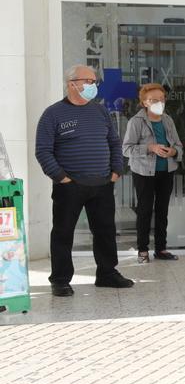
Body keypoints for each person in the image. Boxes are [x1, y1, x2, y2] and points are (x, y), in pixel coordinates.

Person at [35, 65, 135, 296]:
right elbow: (43, 151)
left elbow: (113, 142)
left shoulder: (100, 112)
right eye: (88, 81)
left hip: (102, 183)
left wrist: (116, 170)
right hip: (70, 186)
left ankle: (107, 274)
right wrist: (61, 177)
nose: (93, 85)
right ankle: (60, 279)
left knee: (105, 231)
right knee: (63, 232)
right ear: (72, 84)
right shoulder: (53, 114)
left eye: (94, 81)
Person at [122, 83, 184, 264]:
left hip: (166, 170)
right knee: (144, 210)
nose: (159, 103)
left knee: (162, 210)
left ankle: (161, 249)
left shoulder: (168, 120)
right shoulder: (136, 121)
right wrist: (150, 148)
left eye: (162, 99)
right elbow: (126, 149)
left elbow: (178, 145)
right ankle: (142, 250)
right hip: (143, 172)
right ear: (144, 103)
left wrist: (174, 152)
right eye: (153, 100)